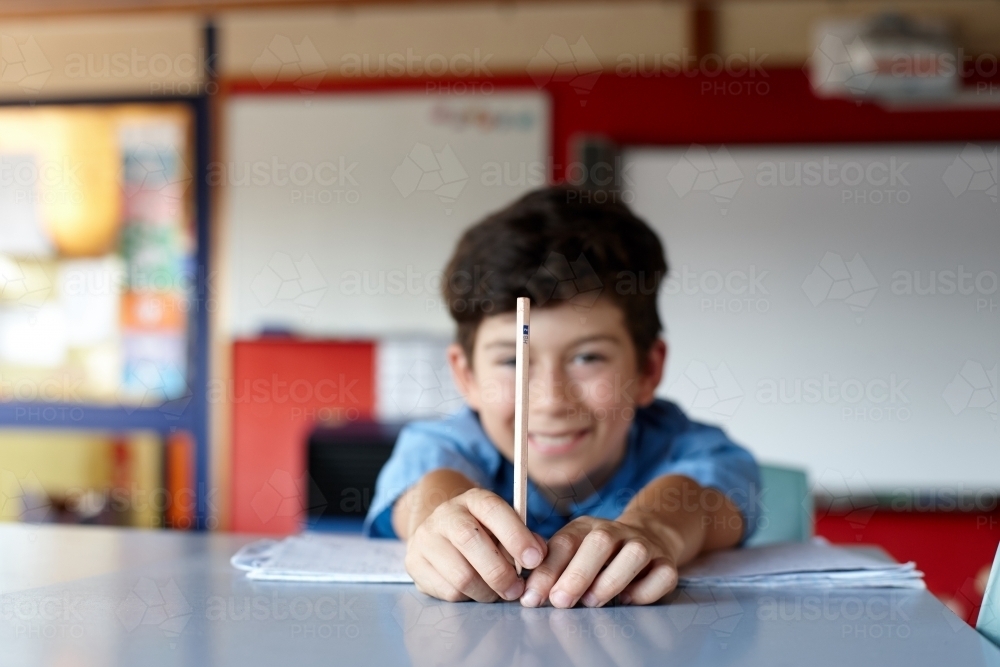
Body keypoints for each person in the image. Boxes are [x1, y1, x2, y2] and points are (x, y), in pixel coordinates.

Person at [364, 187, 760, 608]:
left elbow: (703, 496)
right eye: (513, 362)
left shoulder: (688, 447)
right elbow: (426, 489)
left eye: (588, 357)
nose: (551, 400)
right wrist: (440, 520)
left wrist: (655, 528)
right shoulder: (444, 445)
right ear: (466, 375)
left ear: (647, 370)